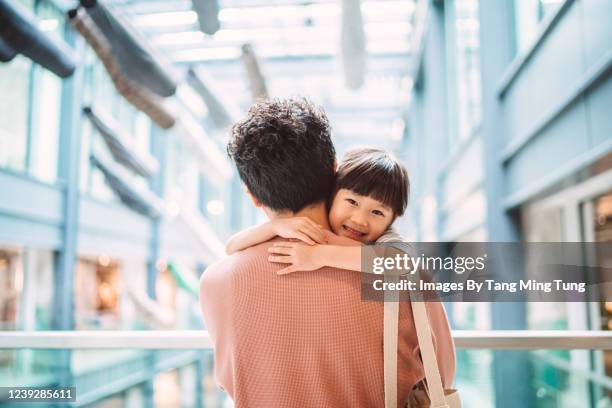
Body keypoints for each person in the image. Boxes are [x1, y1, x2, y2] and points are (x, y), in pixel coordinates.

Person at [199, 98, 455, 407]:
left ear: (252, 196)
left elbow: (232, 382)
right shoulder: (403, 275)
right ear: (334, 171)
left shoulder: (214, 282)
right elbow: (441, 375)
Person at [225, 146, 411, 275]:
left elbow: (401, 262)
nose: (360, 219)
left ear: (394, 218)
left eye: (378, 212)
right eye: (352, 201)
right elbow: (231, 246)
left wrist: (318, 256)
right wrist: (274, 227)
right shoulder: (302, 226)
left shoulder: (387, 240)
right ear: (332, 192)